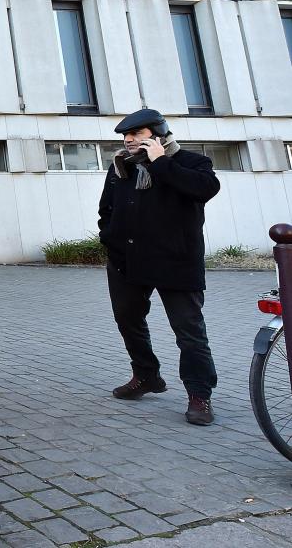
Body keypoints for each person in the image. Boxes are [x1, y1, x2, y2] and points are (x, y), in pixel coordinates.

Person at [98, 109, 220, 426]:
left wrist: (161, 163)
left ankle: (199, 395)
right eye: (126, 136)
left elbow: (206, 188)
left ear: (158, 134)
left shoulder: (189, 162)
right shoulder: (120, 168)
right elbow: (106, 209)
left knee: (189, 332)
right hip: (127, 261)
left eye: (136, 134)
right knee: (128, 319)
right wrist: (109, 238)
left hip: (175, 262)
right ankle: (146, 375)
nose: (128, 140)